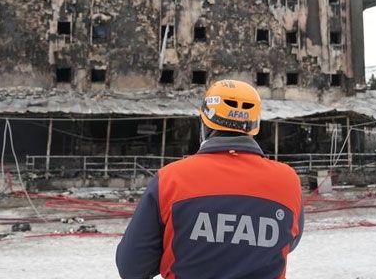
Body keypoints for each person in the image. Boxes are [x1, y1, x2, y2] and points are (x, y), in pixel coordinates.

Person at [116, 80, 304, 279]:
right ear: (254, 125)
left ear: (204, 123)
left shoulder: (170, 179)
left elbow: (132, 267)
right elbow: (288, 242)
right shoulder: (288, 181)